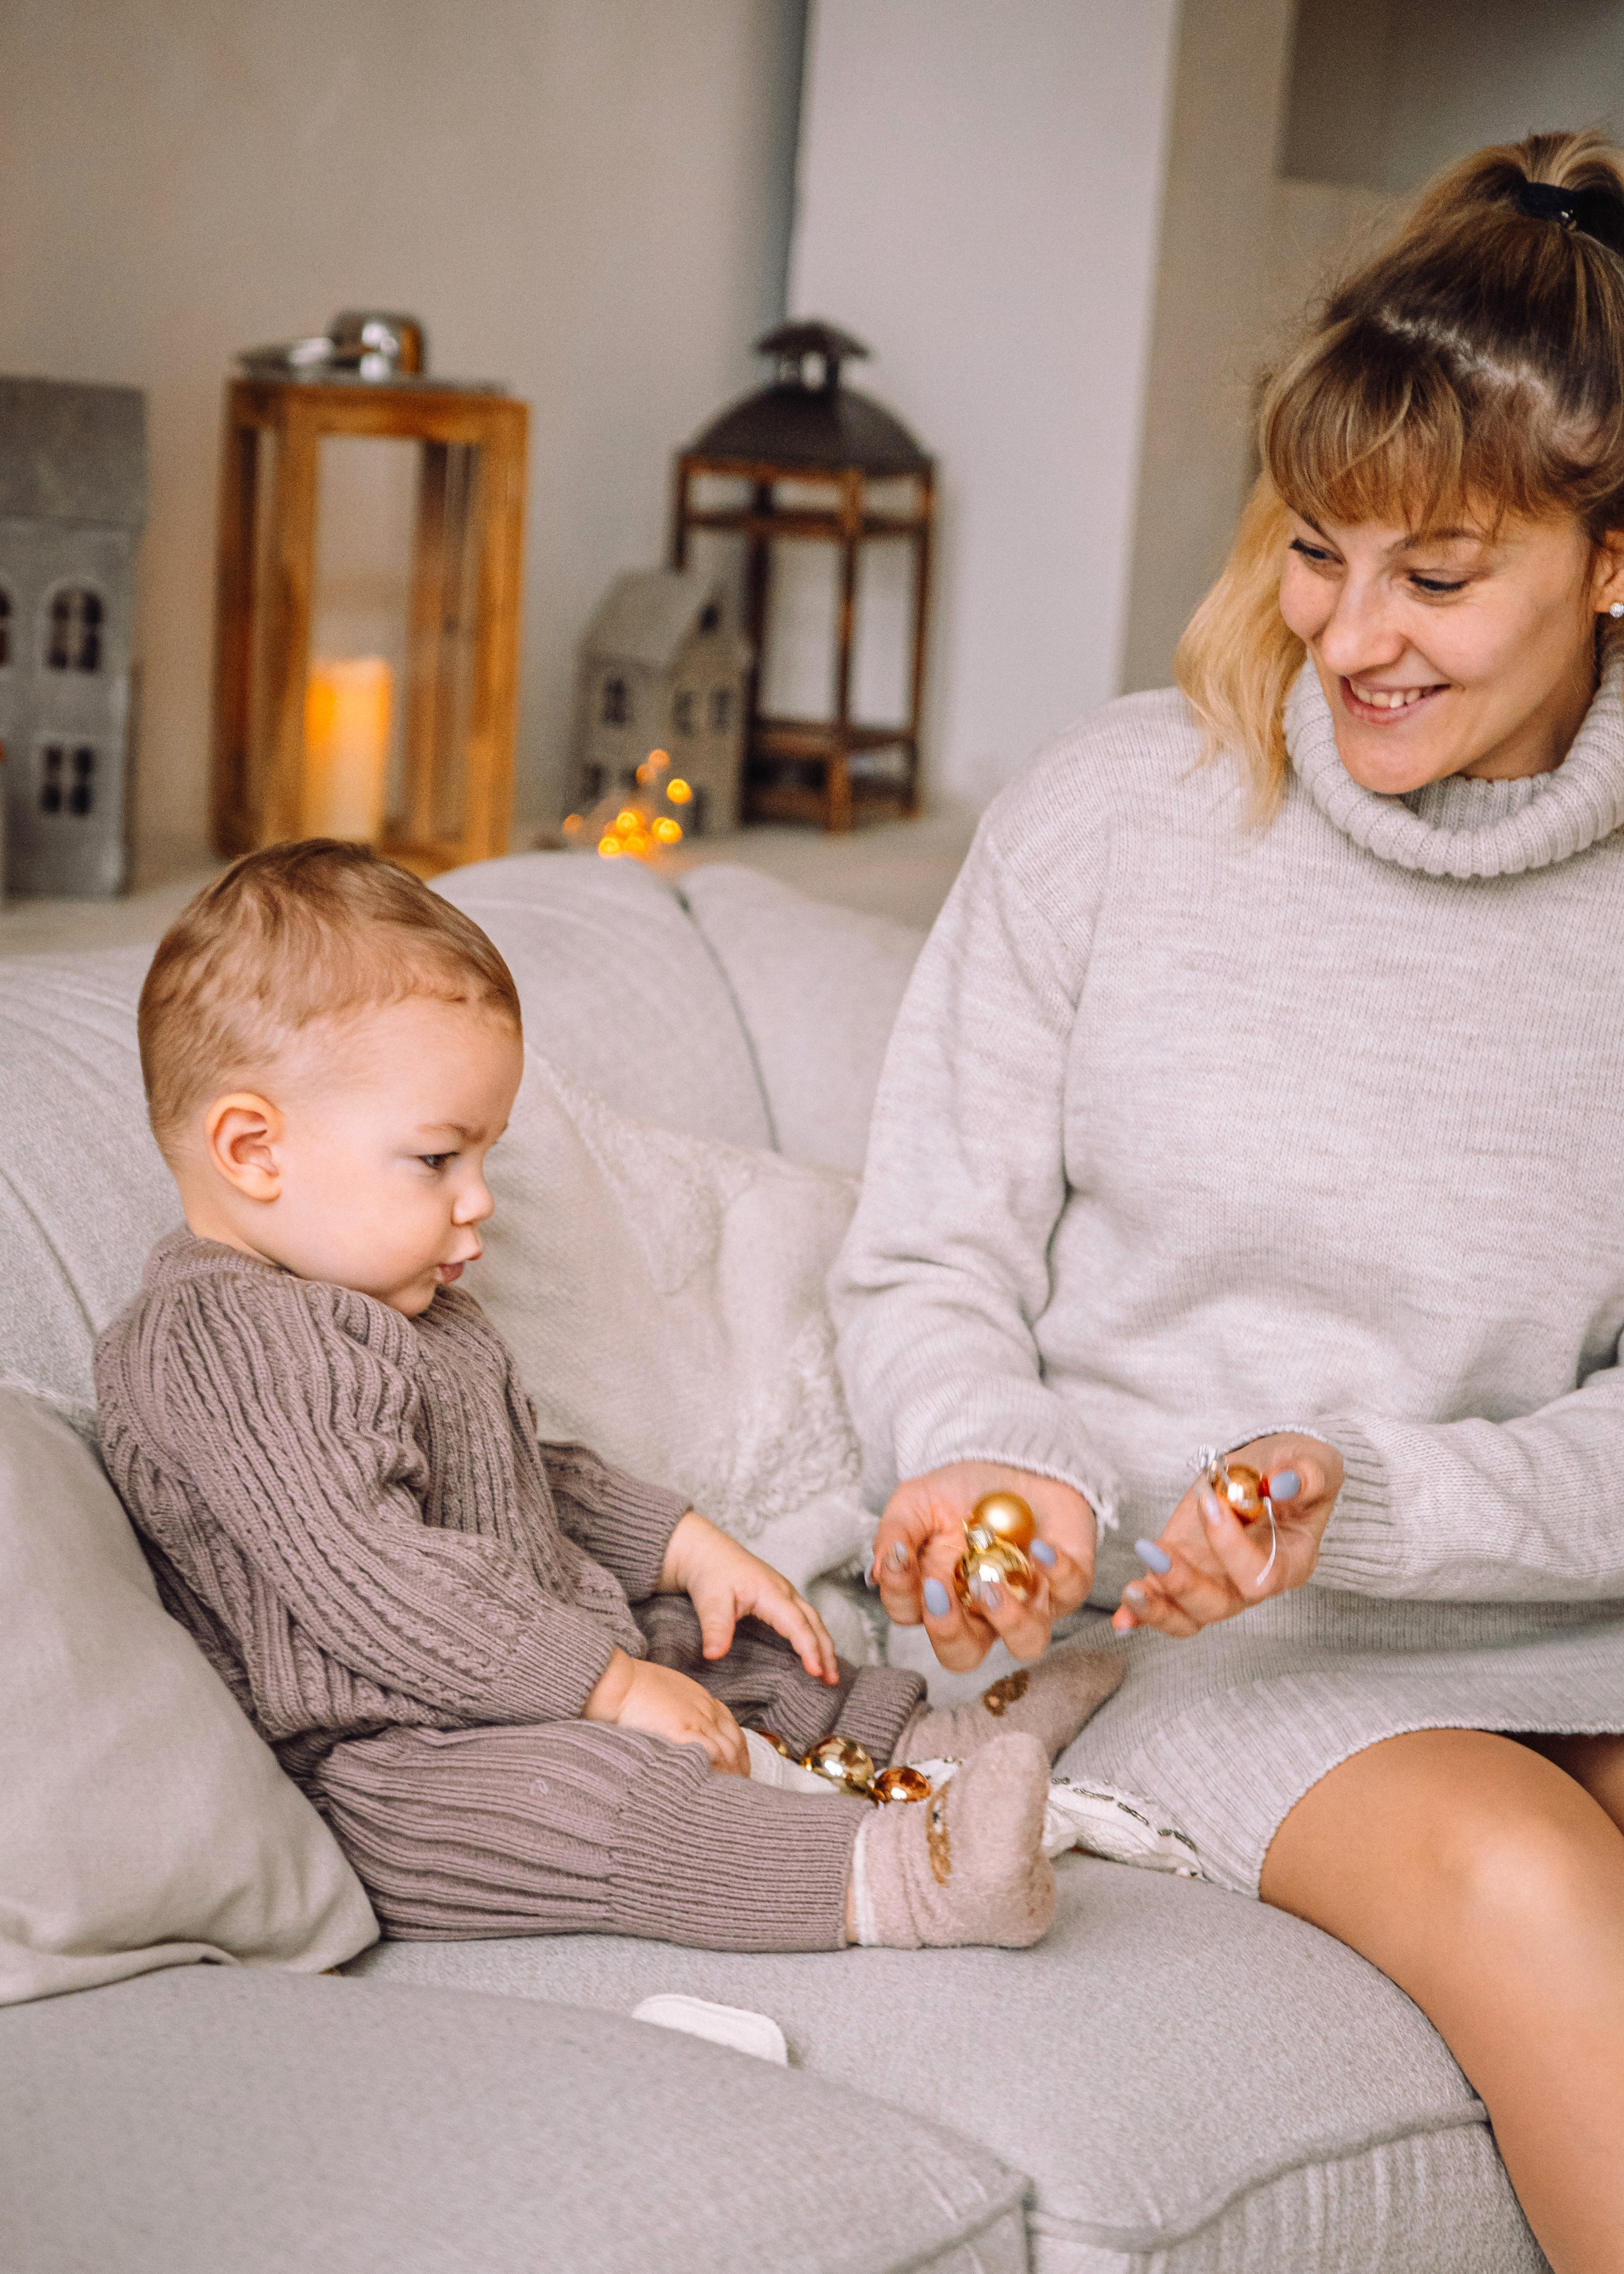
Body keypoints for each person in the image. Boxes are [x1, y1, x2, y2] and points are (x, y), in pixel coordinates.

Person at [832, 130, 1624, 2270]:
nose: (1351, 635)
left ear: (1613, 562)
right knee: (1536, 1886)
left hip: (1536, 1591)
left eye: (1435, 577)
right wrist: (997, 1461)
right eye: (1316, 550)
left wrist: (1366, 1495)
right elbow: (928, 1260)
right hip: (1194, 1650)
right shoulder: (1116, 815)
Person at [94, 840, 1122, 1959]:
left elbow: (523, 1477)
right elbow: (374, 1579)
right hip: (395, 1759)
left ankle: (925, 1740)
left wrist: (680, 1547)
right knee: (601, 1802)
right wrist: (604, 1686)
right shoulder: (217, 1338)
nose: (479, 1202)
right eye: (437, 1160)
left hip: (541, 1662)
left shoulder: (409, 1315)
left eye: (485, 1157)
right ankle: (905, 1879)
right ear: (253, 1150)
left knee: (723, 1651)